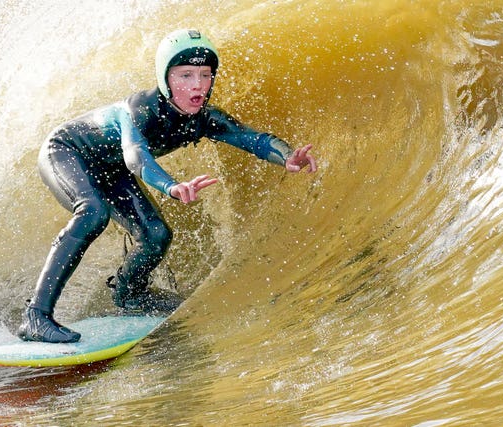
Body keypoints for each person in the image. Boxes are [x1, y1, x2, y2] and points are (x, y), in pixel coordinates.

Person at [18, 29, 317, 343]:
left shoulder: (202, 118)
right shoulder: (138, 110)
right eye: (185, 75)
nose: (198, 84)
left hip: (111, 169)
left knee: (156, 234)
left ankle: (128, 294)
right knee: (93, 212)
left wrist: (287, 157)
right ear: (165, 79)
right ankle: (36, 316)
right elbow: (136, 160)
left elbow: (251, 139)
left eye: (205, 75)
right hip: (67, 153)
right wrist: (172, 186)